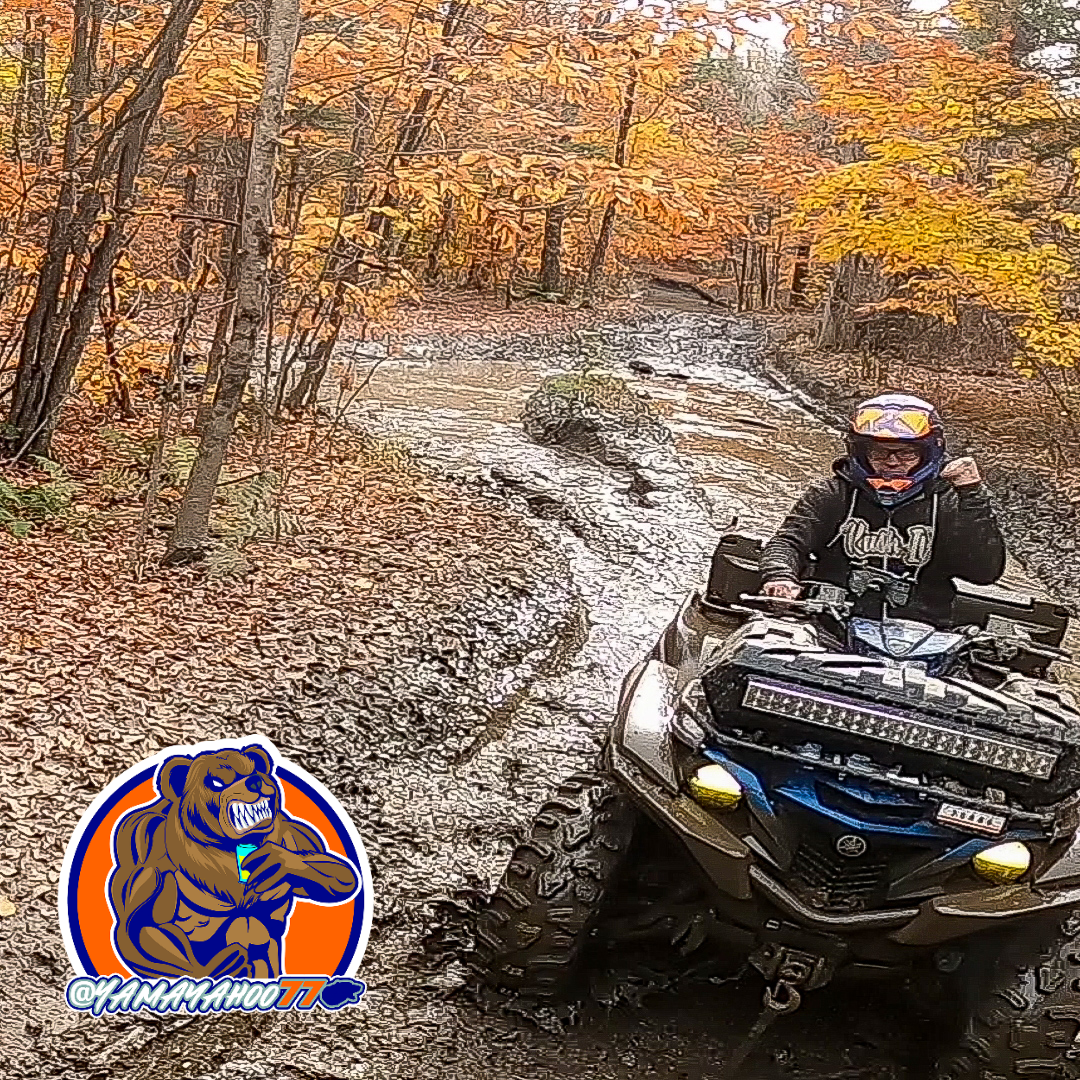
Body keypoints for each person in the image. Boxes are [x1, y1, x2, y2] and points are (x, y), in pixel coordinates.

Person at [759, 393, 1006, 628]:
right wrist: (780, 576)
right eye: (879, 451)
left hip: (922, 632)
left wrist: (972, 495)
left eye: (906, 452)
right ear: (861, 452)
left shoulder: (949, 502)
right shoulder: (832, 493)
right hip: (828, 623)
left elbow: (983, 573)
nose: (892, 462)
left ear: (928, 453)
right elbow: (788, 542)